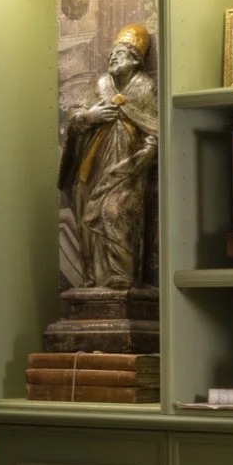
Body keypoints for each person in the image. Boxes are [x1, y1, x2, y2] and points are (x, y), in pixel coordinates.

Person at [57, 24, 159, 291]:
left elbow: (154, 127)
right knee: (89, 220)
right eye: (111, 53)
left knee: (116, 213)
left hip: (128, 166)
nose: (113, 58)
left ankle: (122, 276)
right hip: (93, 164)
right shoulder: (101, 84)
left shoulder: (145, 87)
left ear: (135, 60)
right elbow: (75, 116)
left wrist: (148, 150)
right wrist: (90, 117)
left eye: (120, 53)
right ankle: (95, 276)